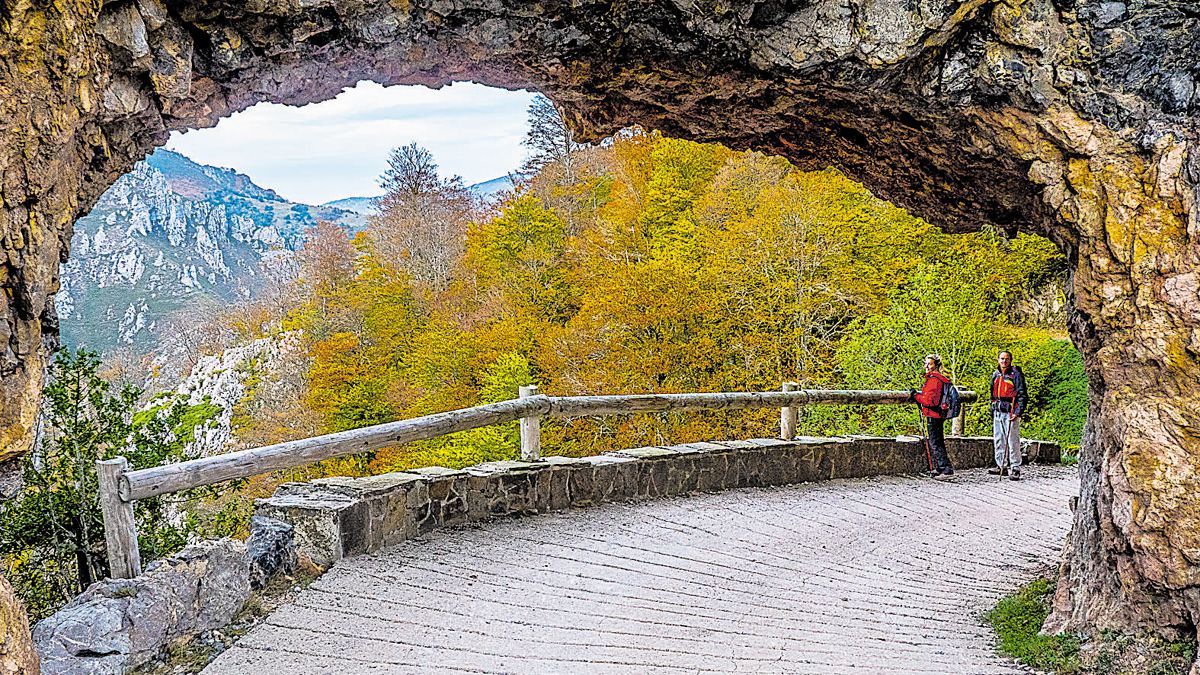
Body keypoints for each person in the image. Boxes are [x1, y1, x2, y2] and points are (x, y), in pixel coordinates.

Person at [910, 354, 954, 479]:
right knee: (938, 441)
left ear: (935, 365)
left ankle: (945, 469)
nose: (926, 366)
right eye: (926, 363)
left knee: (935, 442)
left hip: (933, 414)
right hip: (940, 414)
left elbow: (929, 401)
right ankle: (941, 468)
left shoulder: (934, 380)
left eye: (929, 364)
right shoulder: (942, 379)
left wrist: (915, 396)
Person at [988, 350, 1029, 480]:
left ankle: (1015, 467)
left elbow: (1022, 394)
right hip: (998, 410)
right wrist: (992, 407)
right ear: (998, 360)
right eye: (1002, 358)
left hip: (1011, 411)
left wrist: (1018, 412)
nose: (1004, 361)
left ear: (1010, 360)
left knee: (1012, 440)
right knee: (999, 439)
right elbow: (992, 394)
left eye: (1006, 359)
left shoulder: (1015, 374)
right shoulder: (996, 374)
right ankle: (1001, 465)